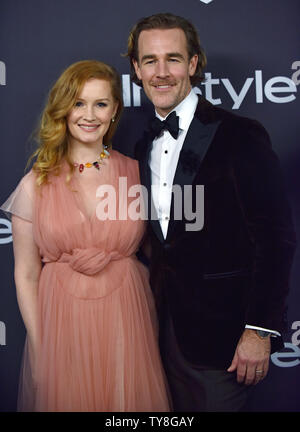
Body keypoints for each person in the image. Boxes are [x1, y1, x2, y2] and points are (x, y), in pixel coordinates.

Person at [126, 13, 297, 411]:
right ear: (136, 68)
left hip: (225, 339)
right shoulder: (141, 145)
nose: (161, 72)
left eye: (173, 58)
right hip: (160, 335)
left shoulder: (241, 135)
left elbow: (276, 237)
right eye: (150, 60)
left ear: (193, 63)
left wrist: (259, 330)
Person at [1, 60, 170, 412]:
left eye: (100, 104)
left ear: (114, 112)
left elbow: (163, 254)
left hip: (127, 316)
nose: (89, 115)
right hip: (63, 322)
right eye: (79, 103)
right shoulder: (35, 184)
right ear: (63, 108)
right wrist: (39, 347)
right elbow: (27, 273)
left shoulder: (137, 173)